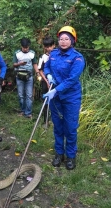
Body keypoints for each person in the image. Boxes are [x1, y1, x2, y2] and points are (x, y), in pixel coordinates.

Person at [43, 26, 85, 170]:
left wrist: (56, 90)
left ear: (72, 41)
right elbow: (46, 67)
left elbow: (72, 79)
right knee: (58, 127)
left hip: (71, 97)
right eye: (61, 39)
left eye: (67, 39)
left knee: (70, 127)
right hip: (56, 98)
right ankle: (59, 153)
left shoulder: (77, 58)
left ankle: (71, 156)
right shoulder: (53, 54)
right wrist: (48, 75)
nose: (63, 41)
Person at [13, 38, 40, 119]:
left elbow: (34, 64)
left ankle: (28, 113)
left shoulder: (32, 53)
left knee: (29, 95)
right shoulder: (17, 53)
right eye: (24, 47)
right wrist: (19, 63)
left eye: (27, 47)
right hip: (19, 76)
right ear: (21, 46)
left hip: (29, 76)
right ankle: (23, 110)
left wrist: (37, 72)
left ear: (29, 46)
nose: (25, 49)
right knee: (21, 95)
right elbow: (14, 64)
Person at [37, 37, 55, 123]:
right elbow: (40, 70)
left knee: (55, 100)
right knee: (46, 100)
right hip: (45, 81)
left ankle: (54, 119)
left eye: (50, 46)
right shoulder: (43, 57)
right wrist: (47, 80)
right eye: (46, 47)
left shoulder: (57, 55)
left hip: (55, 81)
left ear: (54, 45)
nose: (48, 48)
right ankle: (45, 120)